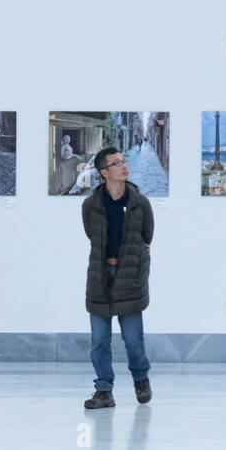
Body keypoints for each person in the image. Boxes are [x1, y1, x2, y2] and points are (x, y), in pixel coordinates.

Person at [81, 146, 154, 409]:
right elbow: (93, 235)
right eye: (116, 163)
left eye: (123, 161)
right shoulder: (90, 205)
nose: (124, 166)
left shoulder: (140, 203)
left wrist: (134, 269)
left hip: (130, 277)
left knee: (133, 340)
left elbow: (146, 237)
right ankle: (104, 390)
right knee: (99, 341)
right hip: (100, 276)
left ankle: (141, 378)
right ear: (104, 172)